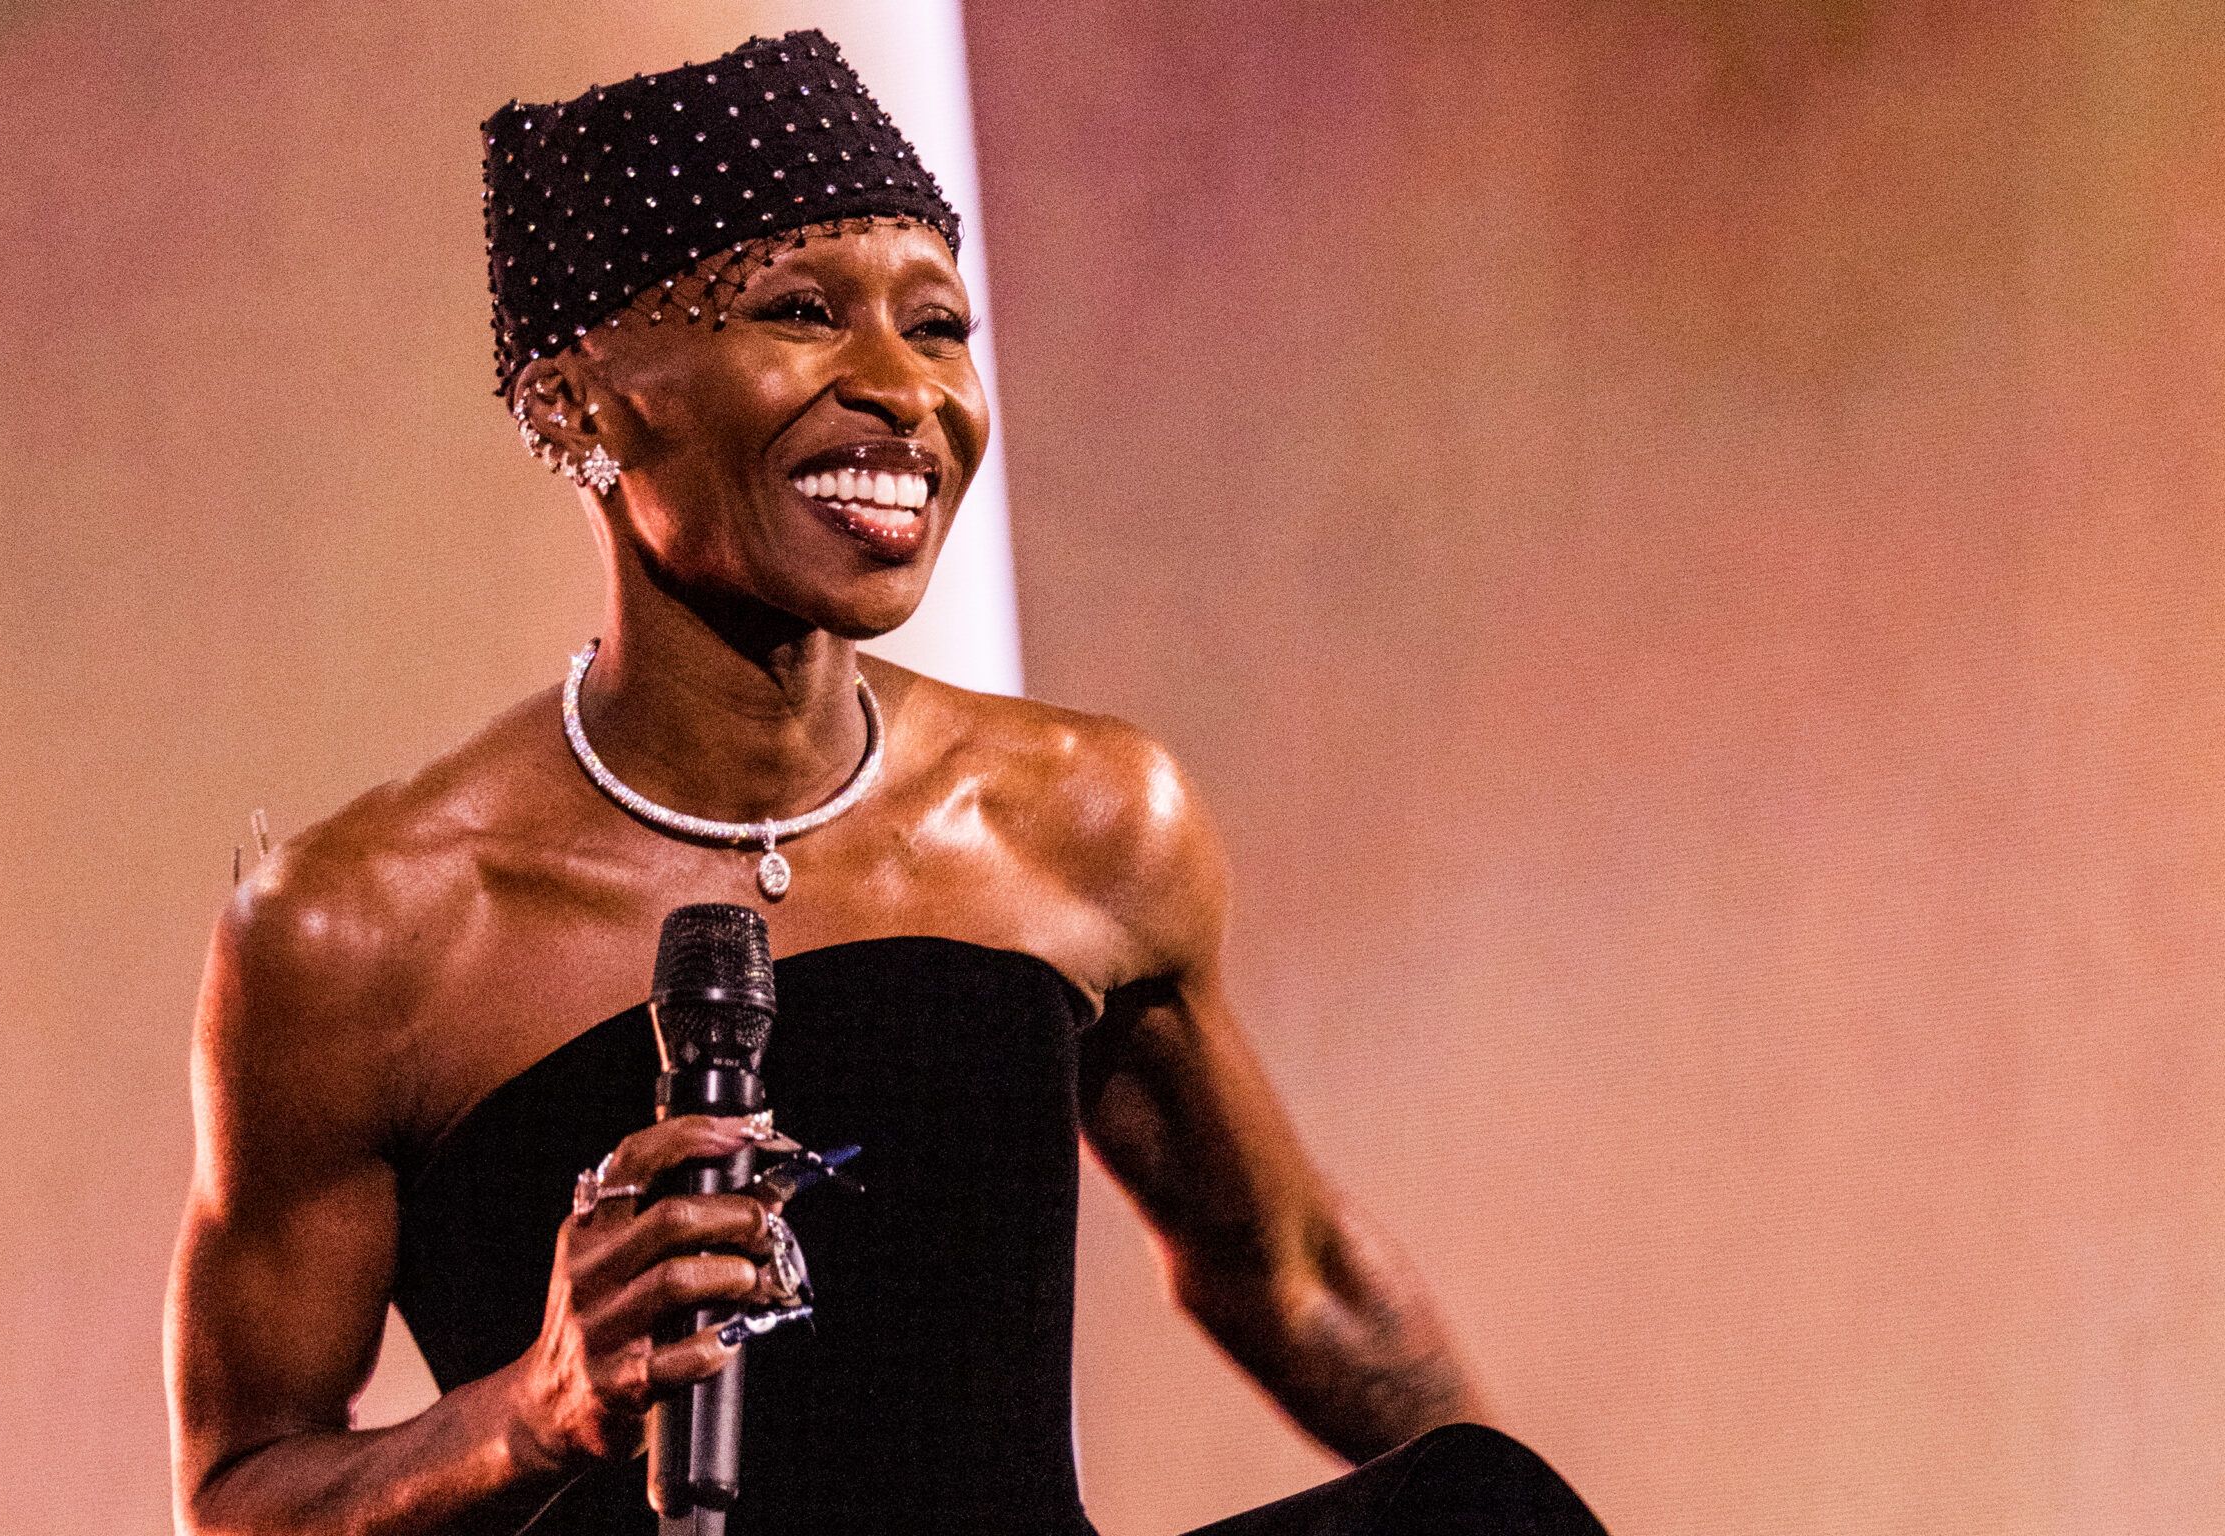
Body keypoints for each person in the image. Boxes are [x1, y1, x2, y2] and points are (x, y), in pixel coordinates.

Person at [165, 29, 1603, 1536]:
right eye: (800, 311)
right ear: (577, 401)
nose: (902, 390)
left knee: (1480, 1510)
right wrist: (529, 1410)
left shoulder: (1082, 818)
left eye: (937, 327)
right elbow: (243, 1496)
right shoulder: (358, 933)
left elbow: (1292, 1277)